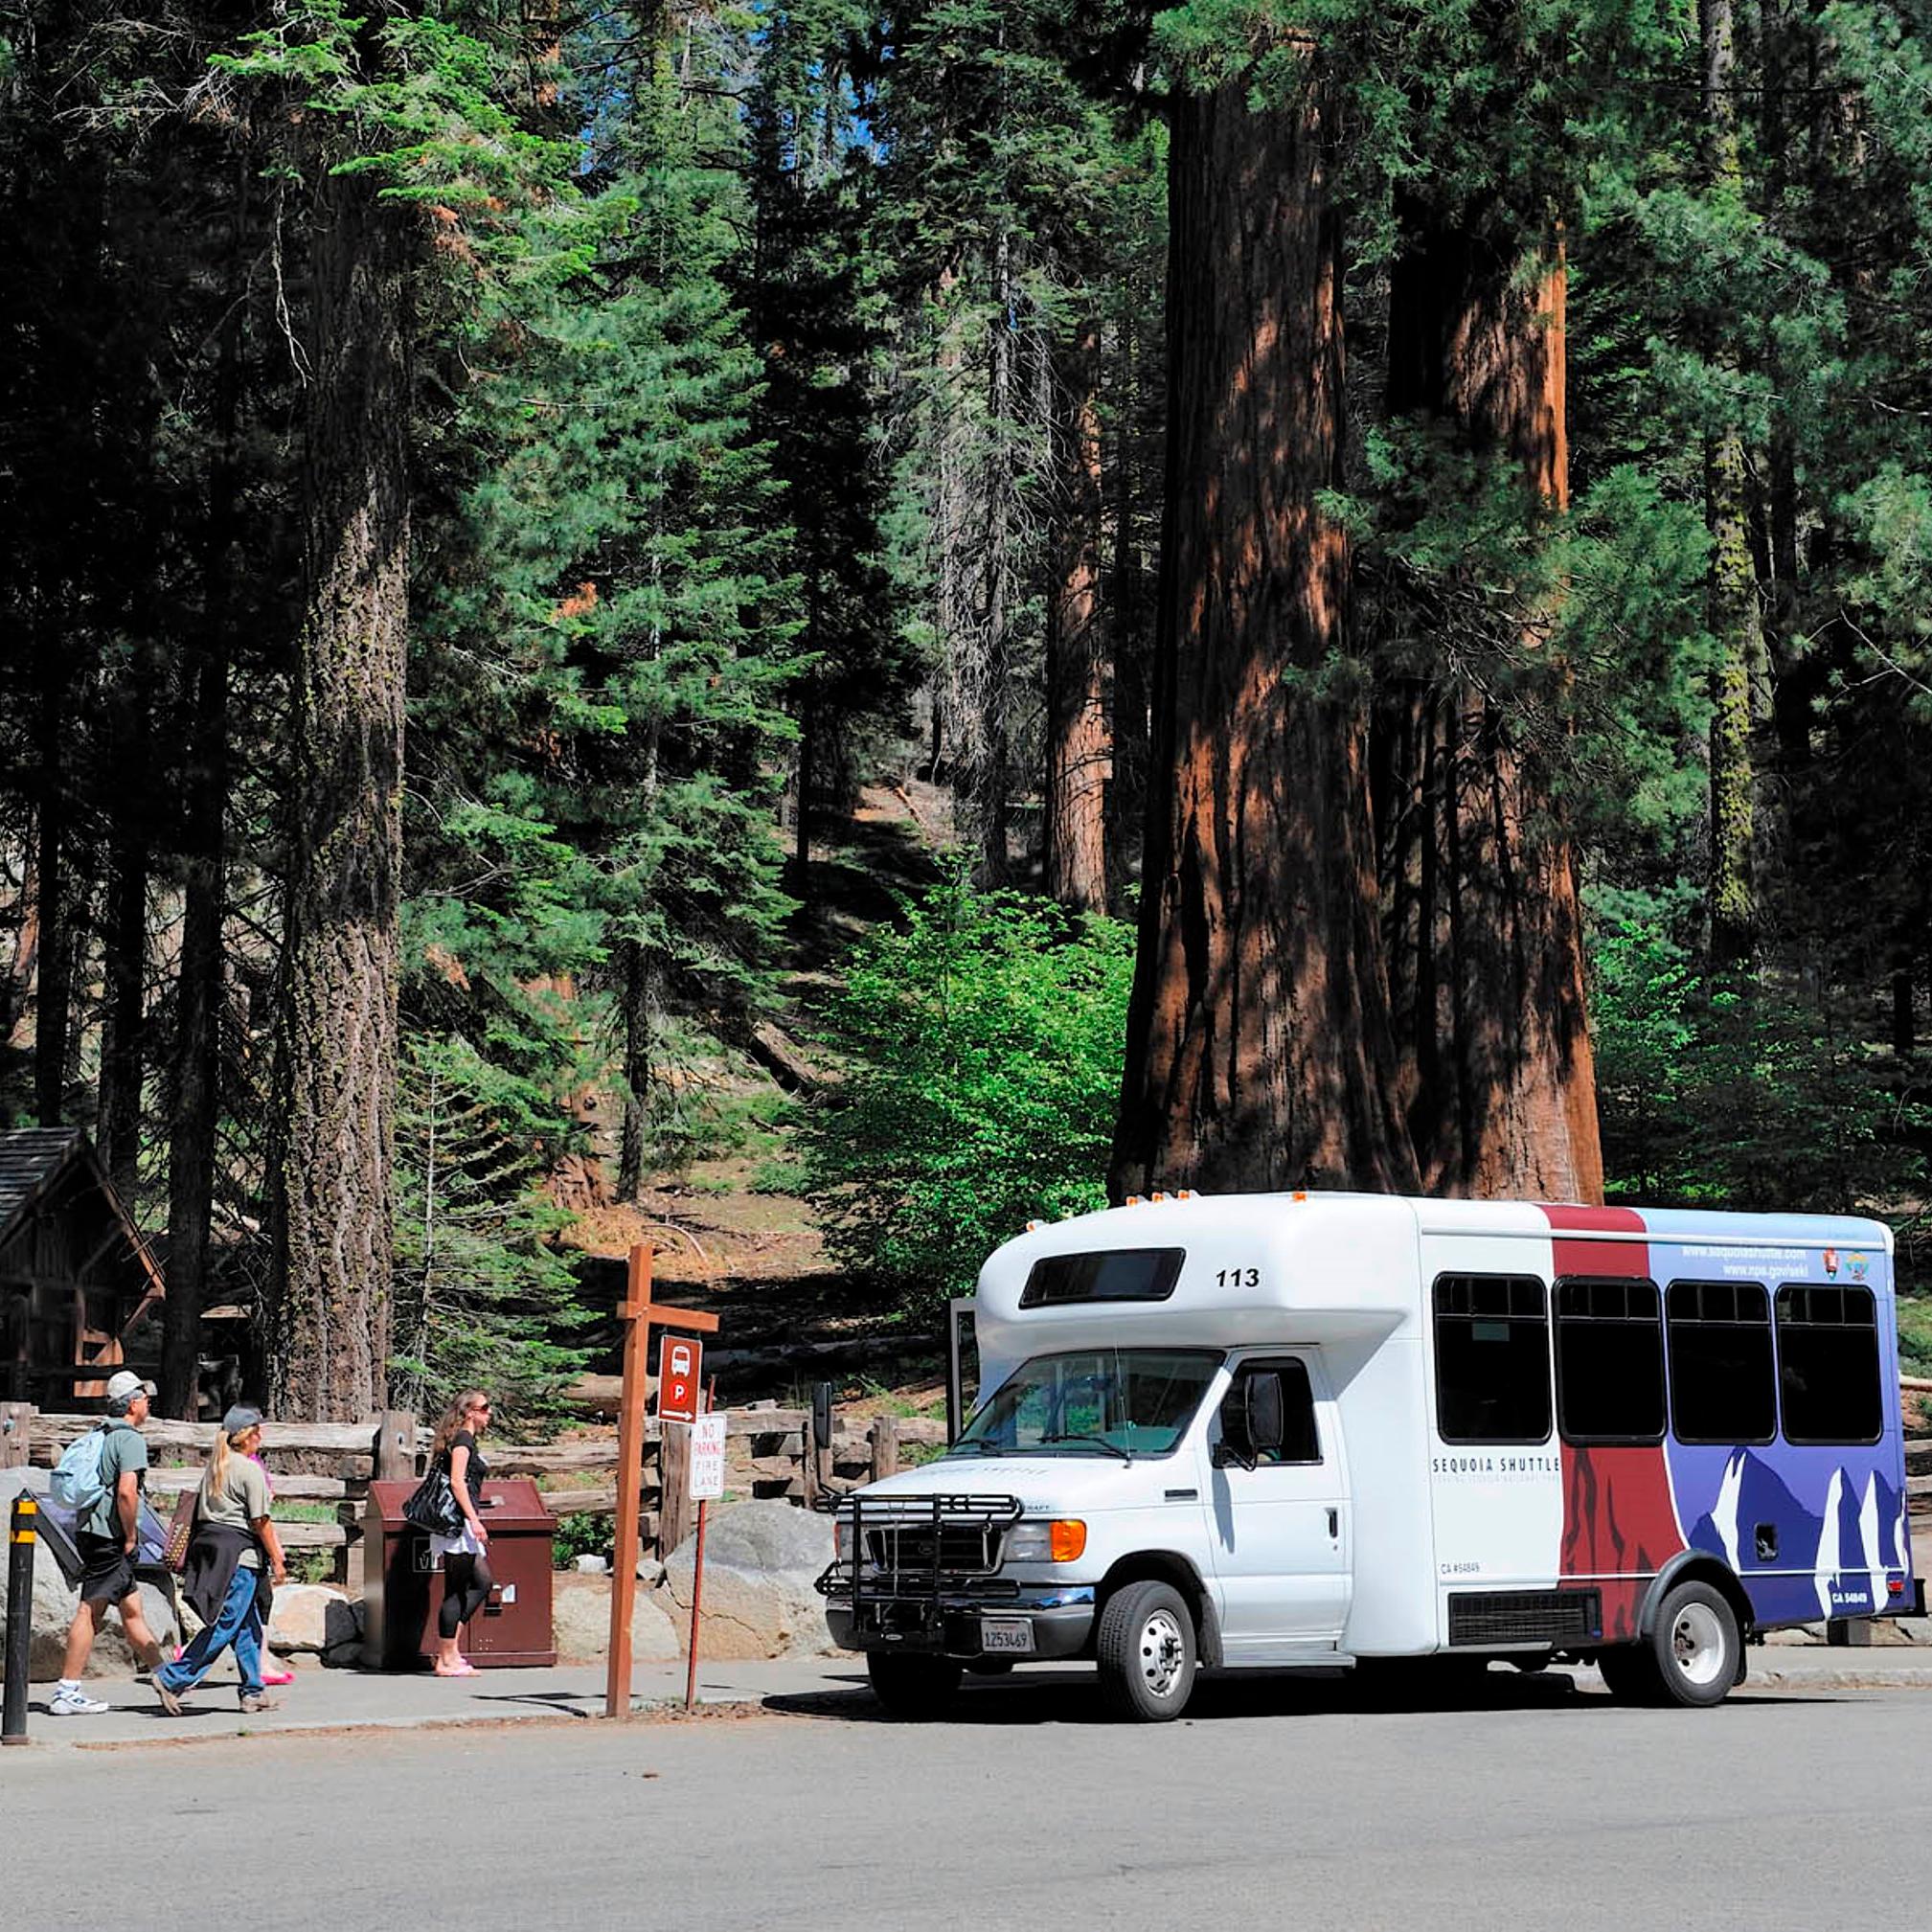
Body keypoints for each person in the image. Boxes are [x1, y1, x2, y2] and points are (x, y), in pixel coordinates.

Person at [154, 1404, 288, 1716]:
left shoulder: (217, 1466)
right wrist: (277, 1558)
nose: (261, 1436)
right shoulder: (249, 1469)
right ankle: (172, 1677)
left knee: (247, 1625)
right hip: (241, 1558)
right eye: (258, 1430)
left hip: (216, 1555)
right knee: (226, 1624)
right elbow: (261, 1521)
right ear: (247, 1435)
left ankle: (253, 1691)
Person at [49, 1370, 166, 1716]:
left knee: (131, 1608)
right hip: (109, 1536)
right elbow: (127, 1492)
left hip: (93, 1529)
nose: (149, 1404)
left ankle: (166, 1675)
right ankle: (66, 1691)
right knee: (90, 1609)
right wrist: (131, 1536)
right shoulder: (129, 1439)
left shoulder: (101, 1432)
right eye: (145, 1399)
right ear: (132, 1404)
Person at [428, 1389, 494, 1677]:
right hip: (457, 1524)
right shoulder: (463, 1441)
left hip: (461, 1523)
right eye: (484, 1408)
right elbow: (457, 1483)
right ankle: (446, 1658)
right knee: (459, 1589)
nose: (488, 1413)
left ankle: (450, 1651)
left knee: (480, 1583)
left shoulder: (465, 1440)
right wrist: (474, 1520)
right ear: (470, 1412)